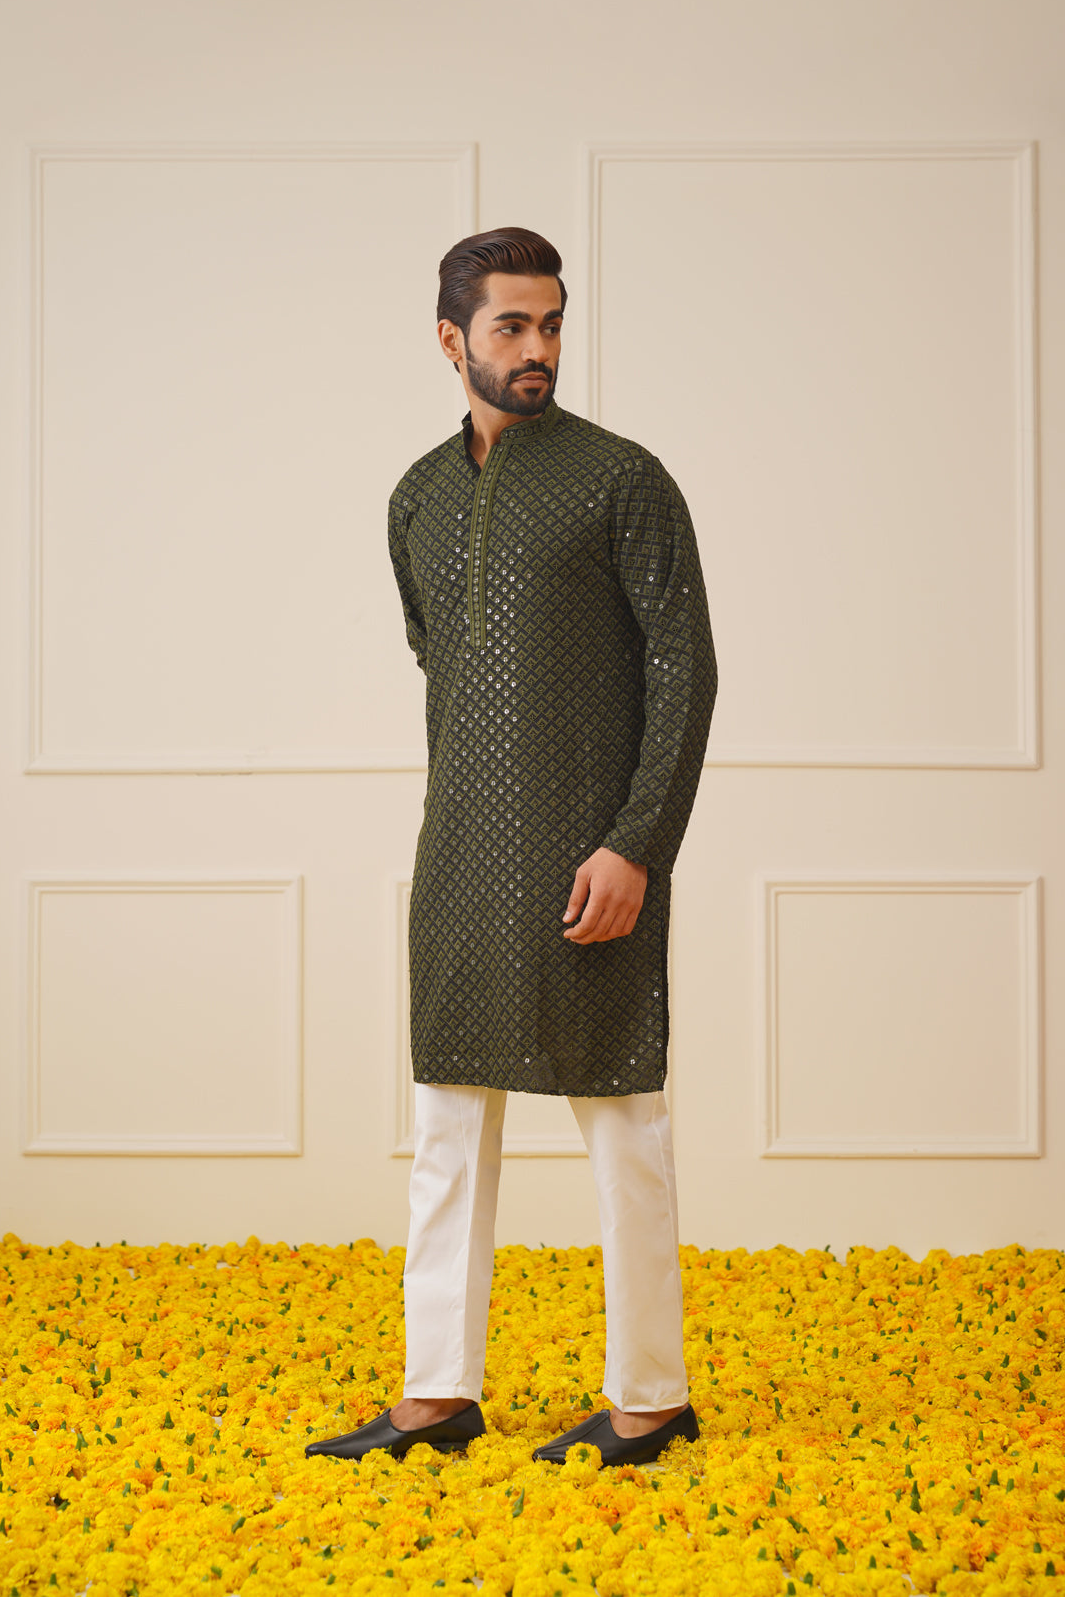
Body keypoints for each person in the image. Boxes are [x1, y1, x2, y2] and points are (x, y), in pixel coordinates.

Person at [306, 226, 718, 1469]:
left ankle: (649, 1398)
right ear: (452, 340)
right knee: (445, 1126)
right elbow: (441, 656)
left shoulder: (622, 479)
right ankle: (436, 1395)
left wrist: (636, 843)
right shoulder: (417, 499)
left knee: (623, 1123)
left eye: (552, 324)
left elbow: (684, 670)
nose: (538, 348)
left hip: (594, 858)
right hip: (460, 855)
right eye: (511, 327)